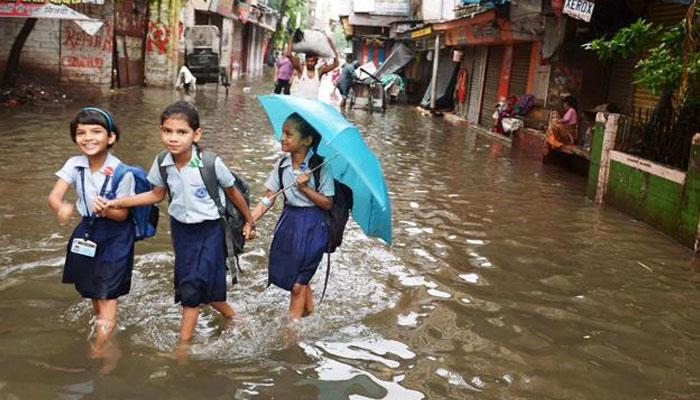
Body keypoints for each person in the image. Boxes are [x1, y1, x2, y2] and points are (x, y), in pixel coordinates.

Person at [94, 101, 256, 347]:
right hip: (181, 231)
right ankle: (233, 316)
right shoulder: (162, 162)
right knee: (199, 283)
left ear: (196, 134)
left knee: (191, 287)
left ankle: (182, 347)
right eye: (167, 131)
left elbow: (234, 193)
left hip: (210, 229)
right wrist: (119, 202)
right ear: (160, 131)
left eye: (182, 132)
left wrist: (249, 221)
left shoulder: (210, 164)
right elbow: (157, 195)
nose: (173, 138)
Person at [48, 107, 136, 357]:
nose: (88, 137)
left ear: (111, 138)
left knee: (107, 292)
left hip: (116, 234)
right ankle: (105, 329)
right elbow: (54, 195)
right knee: (90, 288)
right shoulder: (74, 164)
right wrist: (61, 207)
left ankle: (100, 347)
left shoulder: (122, 172)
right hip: (86, 229)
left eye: (96, 132)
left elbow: (123, 215)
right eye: (81, 133)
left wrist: (109, 209)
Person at [251, 113, 334, 321]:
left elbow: (327, 203)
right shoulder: (281, 166)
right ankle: (310, 313)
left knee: (297, 285)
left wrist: (305, 188)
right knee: (295, 278)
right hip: (289, 224)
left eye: (289, 134)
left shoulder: (321, 166)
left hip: (314, 226)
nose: (283, 138)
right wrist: (249, 220)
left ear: (307, 140)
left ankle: (292, 334)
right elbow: (268, 199)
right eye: (282, 132)